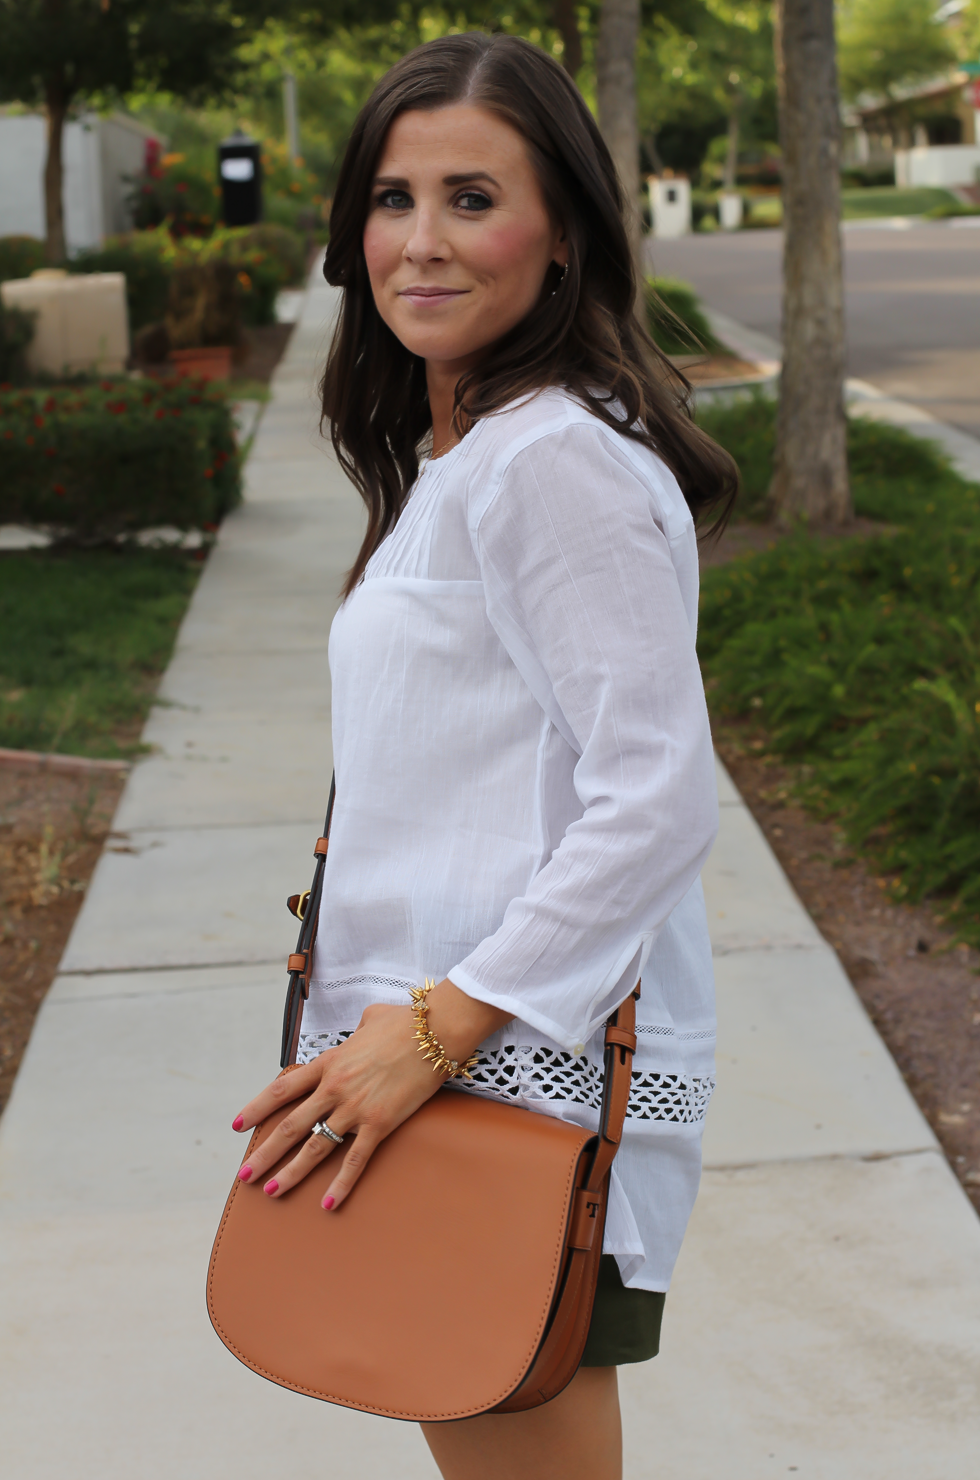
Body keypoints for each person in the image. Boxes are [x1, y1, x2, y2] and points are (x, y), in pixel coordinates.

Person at [231, 30, 737, 1480]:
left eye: (472, 198)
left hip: (508, 1080)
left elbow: (656, 799)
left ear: (563, 233)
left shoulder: (550, 461)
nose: (421, 242)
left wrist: (439, 1025)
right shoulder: (477, 453)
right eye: (394, 199)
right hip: (450, 1066)